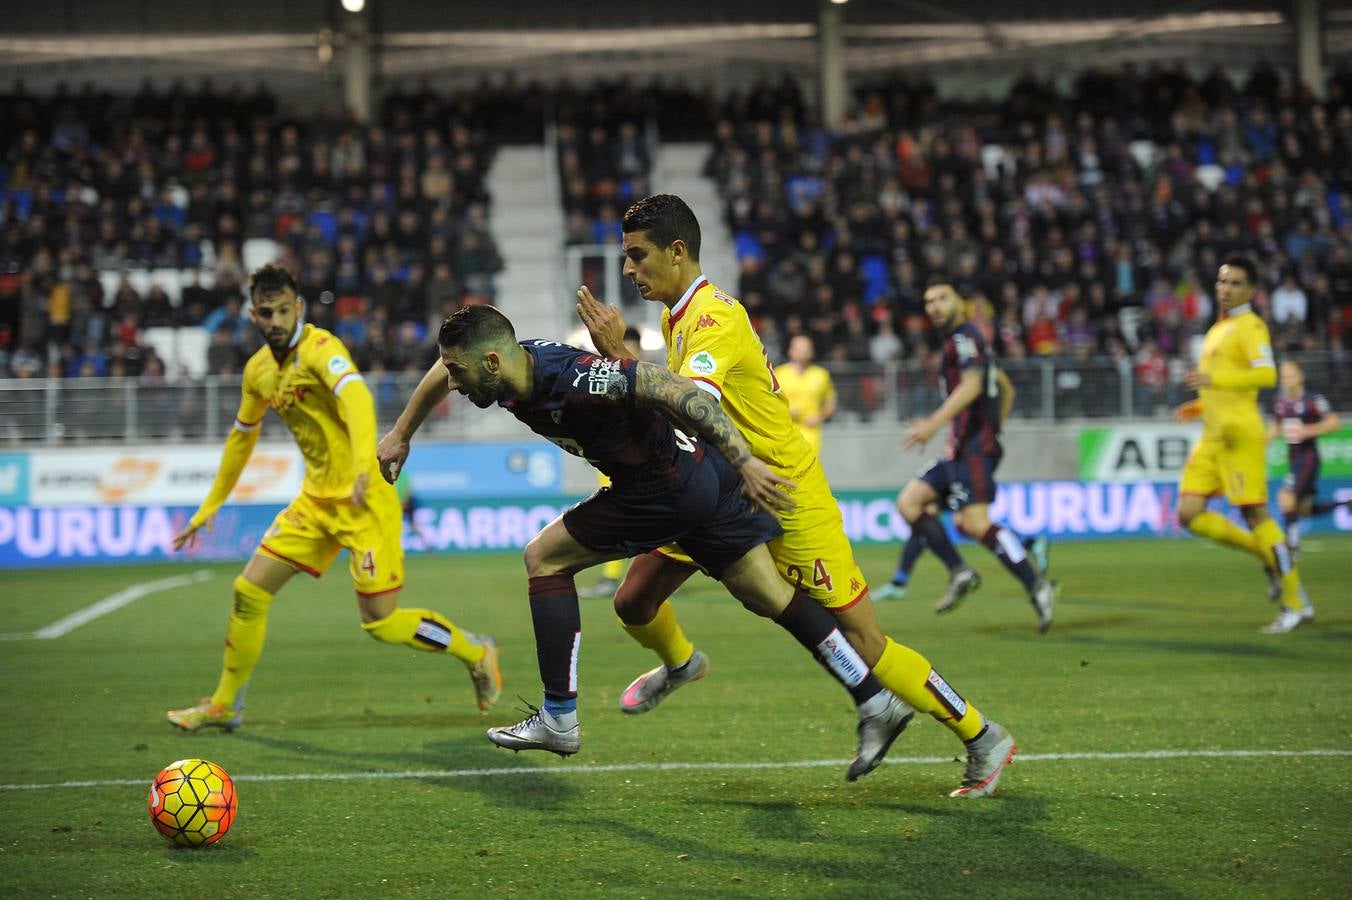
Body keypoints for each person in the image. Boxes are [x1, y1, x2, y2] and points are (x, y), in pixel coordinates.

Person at [577, 194, 1016, 798]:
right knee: (634, 599)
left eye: (637, 256)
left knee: (866, 642)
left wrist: (621, 356)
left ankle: (981, 734)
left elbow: (691, 402)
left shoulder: (713, 317)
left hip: (784, 492)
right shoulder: (678, 316)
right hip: (724, 488)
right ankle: (681, 663)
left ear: (677, 252)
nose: (628, 270)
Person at [377, 304, 912, 781]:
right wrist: (401, 432)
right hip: (701, 477)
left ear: (492, 362)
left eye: (460, 374)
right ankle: (874, 699)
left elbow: (669, 387)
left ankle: (559, 716)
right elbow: (439, 373)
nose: (456, 386)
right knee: (770, 595)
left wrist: (744, 457)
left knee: (543, 558)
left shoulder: (575, 379)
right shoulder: (506, 364)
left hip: (665, 487)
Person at [166, 263, 502, 732]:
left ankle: (475, 648)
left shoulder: (322, 349)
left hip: (365, 502)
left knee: (381, 623)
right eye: (267, 312)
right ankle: (225, 703)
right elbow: (241, 438)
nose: (277, 320)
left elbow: (357, 398)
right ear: (254, 315)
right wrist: (210, 506)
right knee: (248, 591)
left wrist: (366, 465)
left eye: (284, 309)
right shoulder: (259, 371)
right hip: (315, 503)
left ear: (298, 308)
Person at [892, 278, 1057, 631]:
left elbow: (973, 385)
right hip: (962, 447)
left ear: (961, 303)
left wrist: (935, 425)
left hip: (974, 449)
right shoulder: (961, 342)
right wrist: (992, 426)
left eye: (942, 298)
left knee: (974, 523)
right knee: (910, 503)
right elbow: (1005, 386)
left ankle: (1036, 584)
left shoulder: (965, 338)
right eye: (928, 300)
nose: (933, 305)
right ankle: (960, 570)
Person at [1173, 256, 1311, 634]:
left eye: (1235, 283)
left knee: (1256, 516)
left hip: (1239, 436)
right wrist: (1200, 404)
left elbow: (1265, 374)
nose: (1225, 289)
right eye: (1221, 281)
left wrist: (1214, 378)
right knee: (1187, 513)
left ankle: (1297, 604)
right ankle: (1263, 555)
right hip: (1213, 435)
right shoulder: (1221, 326)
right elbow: (1227, 384)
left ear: (1250, 290)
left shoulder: (1251, 326)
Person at [877, 355, 1048, 602]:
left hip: (969, 459)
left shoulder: (975, 364)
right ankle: (907, 579)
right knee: (931, 515)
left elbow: (1006, 390)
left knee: (953, 520)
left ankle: (1025, 552)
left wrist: (991, 432)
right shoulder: (957, 372)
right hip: (956, 457)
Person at [580, 325, 644, 600]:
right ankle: (613, 577)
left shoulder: (644, 373)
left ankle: (618, 578)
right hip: (615, 459)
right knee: (618, 519)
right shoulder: (612, 375)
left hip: (641, 459)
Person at [1266, 359, 1343, 561]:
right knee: (1304, 510)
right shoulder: (1280, 401)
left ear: (1300, 377)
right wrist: (1263, 442)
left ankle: (1291, 548)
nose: (1286, 379)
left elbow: (1334, 422)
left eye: (1290, 375)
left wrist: (1309, 430)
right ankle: (1346, 503)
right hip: (1294, 458)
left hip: (1308, 456)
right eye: (1283, 376)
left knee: (1285, 497)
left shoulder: (1312, 399)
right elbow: (1275, 425)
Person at [774, 334, 837, 457]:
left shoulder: (821, 374)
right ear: (790, 350)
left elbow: (831, 401)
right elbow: (768, 401)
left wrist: (819, 416)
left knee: (809, 471)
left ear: (811, 352)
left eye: (806, 348)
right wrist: (785, 411)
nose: (802, 351)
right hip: (784, 433)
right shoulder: (779, 373)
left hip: (811, 433)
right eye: (799, 348)